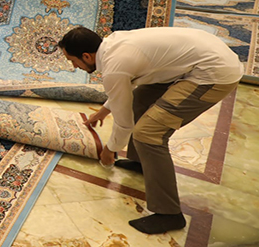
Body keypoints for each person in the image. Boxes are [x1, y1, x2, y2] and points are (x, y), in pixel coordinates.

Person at [58, 26, 242, 235]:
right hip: (201, 57)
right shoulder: (113, 44)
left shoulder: (114, 66)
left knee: (148, 134)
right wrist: (103, 111)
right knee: (140, 100)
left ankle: (169, 213)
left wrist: (110, 149)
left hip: (213, 73)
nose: (74, 66)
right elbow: (123, 91)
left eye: (73, 61)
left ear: (86, 56)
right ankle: (142, 162)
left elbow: (124, 122)